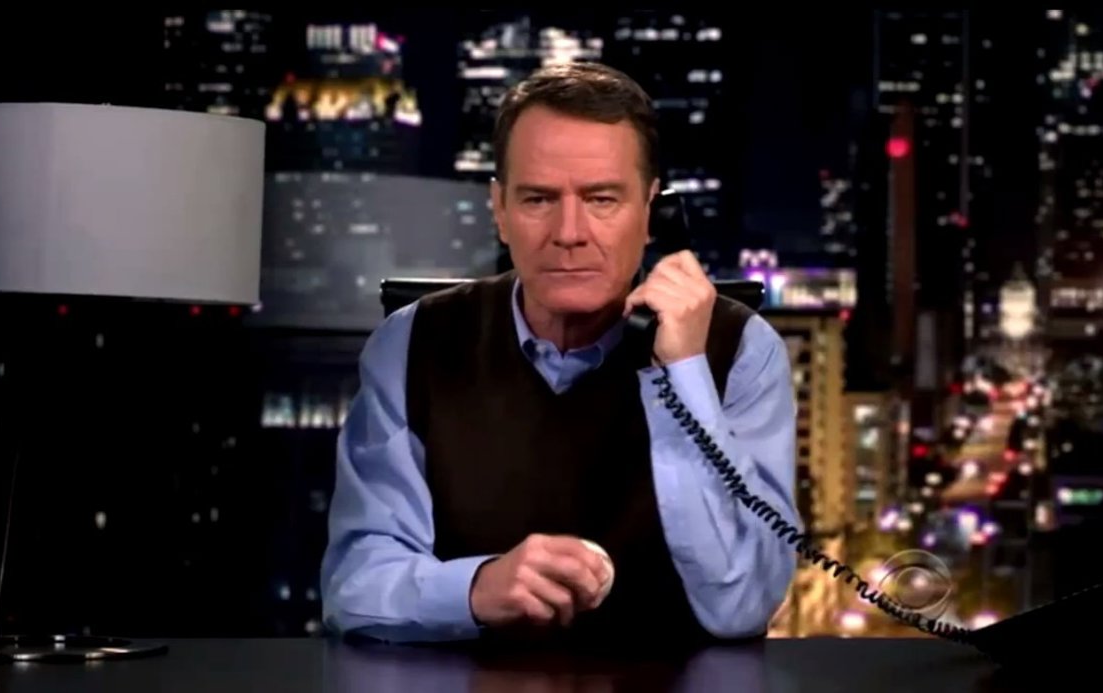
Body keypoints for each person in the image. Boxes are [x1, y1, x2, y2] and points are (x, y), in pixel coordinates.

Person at [320, 62, 801, 646]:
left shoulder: (743, 351)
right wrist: (477, 589)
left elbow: (741, 605)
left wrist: (683, 372)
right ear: (500, 210)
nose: (569, 232)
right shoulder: (411, 342)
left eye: (602, 199)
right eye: (538, 199)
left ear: (653, 213)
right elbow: (355, 584)